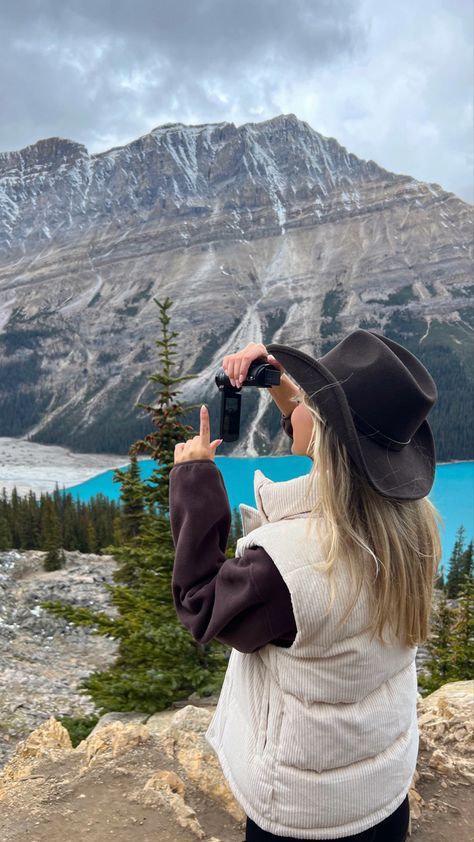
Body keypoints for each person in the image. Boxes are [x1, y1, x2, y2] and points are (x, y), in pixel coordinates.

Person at [169, 329, 442, 842]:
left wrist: (194, 481)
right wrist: (282, 388)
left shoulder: (284, 569)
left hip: (303, 813)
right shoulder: (411, 527)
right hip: (382, 795)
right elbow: (343, 453)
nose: (295, 404)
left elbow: (201, 605)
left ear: (323, 433)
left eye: (307, 403)